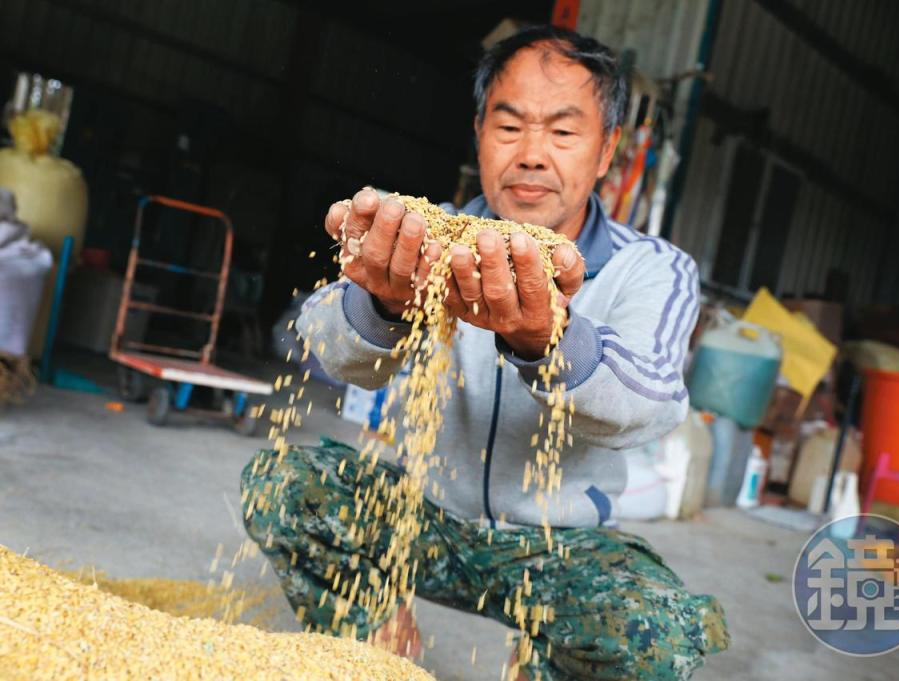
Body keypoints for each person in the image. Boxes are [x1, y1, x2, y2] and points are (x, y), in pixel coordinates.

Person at [242, 25, 728, 680]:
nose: (532, 154)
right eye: (509, 127)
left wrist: (547, 340)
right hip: (422, 518)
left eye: (562, 132)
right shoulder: (422, 232)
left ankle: (539, 658)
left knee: (654, 635)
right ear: (478, 132)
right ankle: (381, 657)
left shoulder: (654, 269)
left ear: (607, 148)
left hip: (561, 547)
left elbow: (650, 400)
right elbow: (325, 344)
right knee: (283, 485)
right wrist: (384, 303)